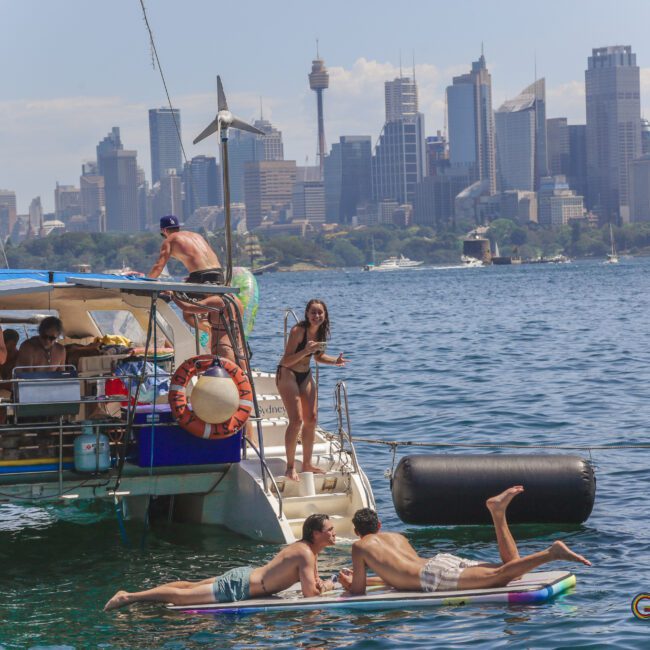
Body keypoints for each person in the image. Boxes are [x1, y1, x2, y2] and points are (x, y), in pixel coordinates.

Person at [338, 486, 591, 595]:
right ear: (379, 526)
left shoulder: (360, 546)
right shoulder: (396, 537)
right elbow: (395, 574)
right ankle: (497, 513)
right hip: (440, 562)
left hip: (431, 578)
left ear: (357, 531)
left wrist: (349, 583)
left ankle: (552, 553)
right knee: (512, 569)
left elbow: (358, 590)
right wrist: (370, 579)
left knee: (501, 575)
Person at [104, 513, 337, 611]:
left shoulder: (308, 550)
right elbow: (310, 595)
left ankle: (135, 595)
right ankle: (129, 597)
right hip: (239, 587)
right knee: (181, 598)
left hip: (244, 577)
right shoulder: (306, 553)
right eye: (330, 530)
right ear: (316, 534)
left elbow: (313, 582)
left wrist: (326, 582)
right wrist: (330, 586)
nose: (334, 533)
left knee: (188, 585)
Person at [276, 299, 347, 481]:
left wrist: (335, 361)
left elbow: (318, 357)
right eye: (313, 312)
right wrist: (306, 351)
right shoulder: (298, 331)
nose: (317, 316)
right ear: (307, 314)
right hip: (287, 373)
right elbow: (285, 361)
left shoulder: (321, 332)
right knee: (296, 420)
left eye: (320, 313)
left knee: (312, 419)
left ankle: (307, 463)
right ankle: (290, 467)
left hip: (305, 374)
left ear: (325, 315)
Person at [148, 215, 223, 284]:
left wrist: (146, 284)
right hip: (219, 274)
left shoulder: (170, 240)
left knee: (171, 295)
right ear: (178, 227)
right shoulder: (197, 236)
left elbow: (158, 267)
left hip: (201, 276)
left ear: (164, 230)